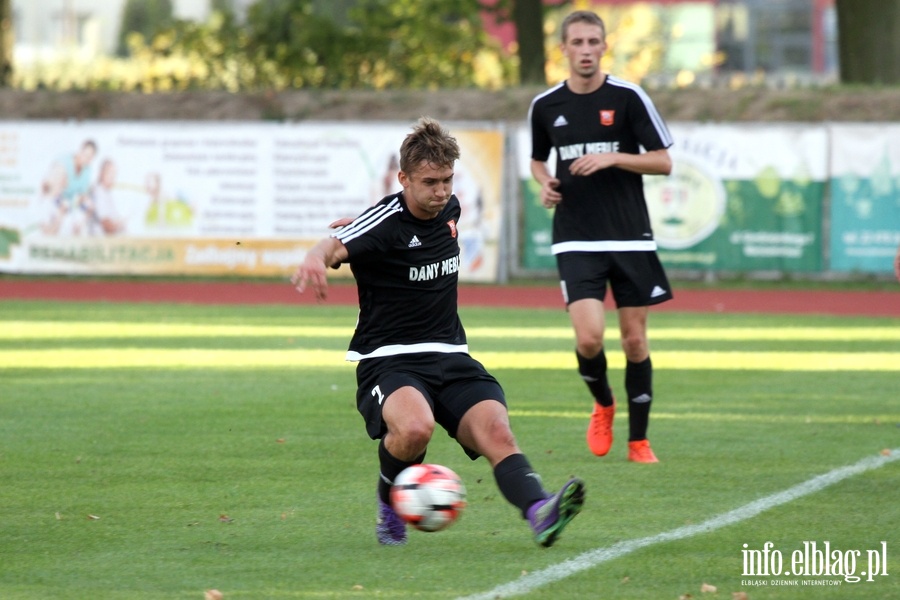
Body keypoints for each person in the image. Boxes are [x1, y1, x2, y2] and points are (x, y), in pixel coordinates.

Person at [291, 117, 585, 547]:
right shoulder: (382, 222)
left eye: (447, 180)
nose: (441, 191)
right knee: (414, 429)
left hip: (450, 354)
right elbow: (337, 243)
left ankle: (540, 510)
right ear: (403, 178)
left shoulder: (449, 208)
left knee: (498, 432)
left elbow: (402, 231)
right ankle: (388, 502)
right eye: (430, 182)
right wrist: (318, 256)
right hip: (388, 359)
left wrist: (371, 228)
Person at [528, 10, 675, 463]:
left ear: (604, 46)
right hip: (575, 238)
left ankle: (639, 441)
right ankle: (604, 403)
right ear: (564, 49)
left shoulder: (629, 97)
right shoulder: (545, 105)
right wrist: (544, 183)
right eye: (578, 43)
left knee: (634, 340)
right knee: (589, 339)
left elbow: (663, 161)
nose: (586, 50)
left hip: (630, 236)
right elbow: (538, 160)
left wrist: (613, 159)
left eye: (594, 41)